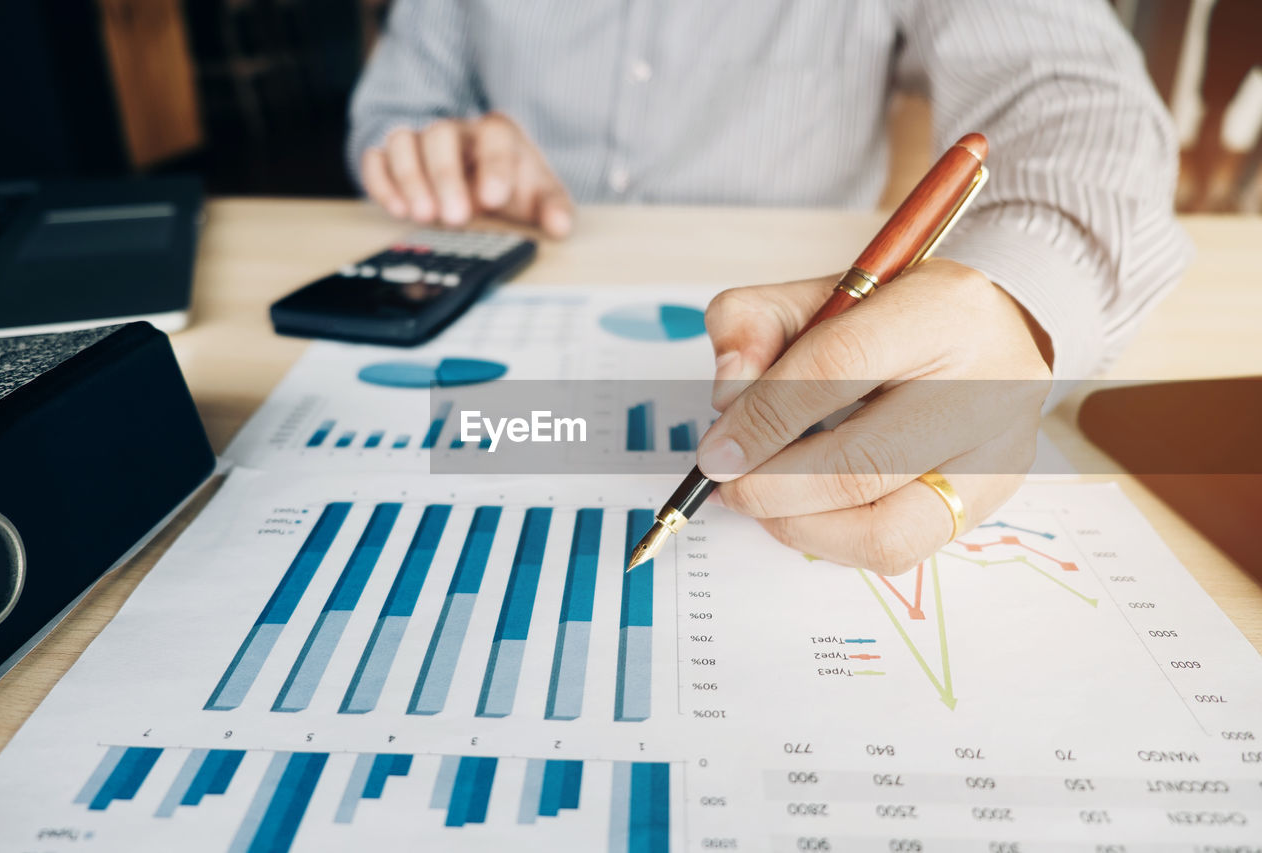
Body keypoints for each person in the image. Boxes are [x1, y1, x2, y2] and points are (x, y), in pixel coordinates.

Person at [348, 0, 1190, 574]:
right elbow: (398, 102)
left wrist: (1015, 301)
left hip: (795, 308)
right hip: (512, 282)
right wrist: (428, 150)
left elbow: (1077, 99)